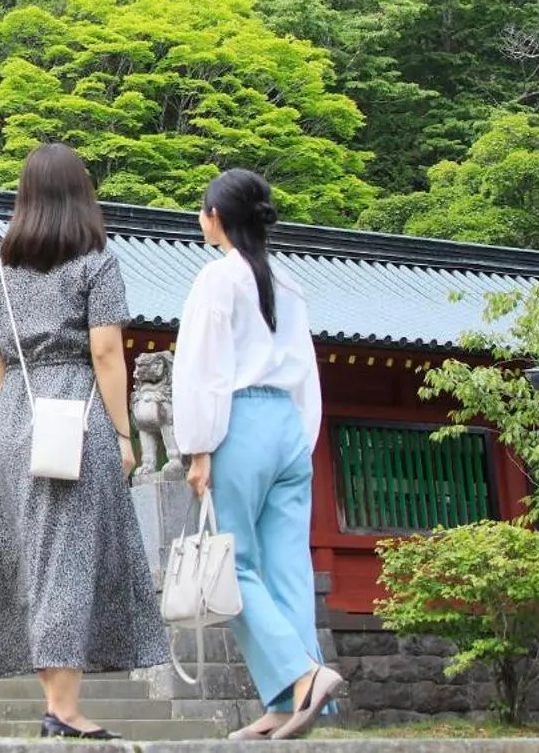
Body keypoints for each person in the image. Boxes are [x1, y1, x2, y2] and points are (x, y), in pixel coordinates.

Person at [0, 142, 171, 741]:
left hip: (13, 417)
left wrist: (22, 409)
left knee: (27, 558)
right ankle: (62, 710)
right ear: (80, 193)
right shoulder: (96, 262)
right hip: (76, 412)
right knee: (67, 556)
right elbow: (107, 352)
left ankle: (56, 699)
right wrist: (121, 430)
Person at [172, 169, 344, 741]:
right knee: (287, 568)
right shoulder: (288, 284)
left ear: (216, 217)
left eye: (203, 209)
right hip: (289, 429)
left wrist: (198, 448)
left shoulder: (218, 279)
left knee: (233, 564)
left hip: (239, 424)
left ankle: (301, 676)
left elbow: (202, 369)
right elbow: (307, 376)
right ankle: (286, 702)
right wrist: (300, 439)